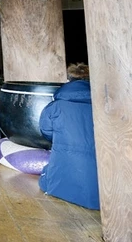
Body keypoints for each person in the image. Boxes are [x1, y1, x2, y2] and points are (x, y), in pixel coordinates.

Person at [39, 63, 99, 210]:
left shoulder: (55, 106)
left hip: (61, 176)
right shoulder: (103, 104)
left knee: (44, 180)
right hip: (102, 184)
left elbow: (45, 131)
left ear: (69, 80)